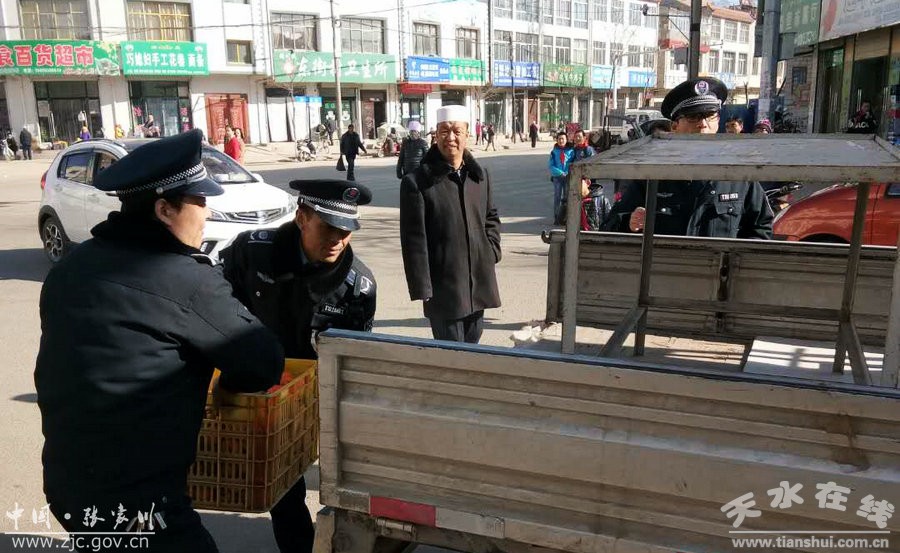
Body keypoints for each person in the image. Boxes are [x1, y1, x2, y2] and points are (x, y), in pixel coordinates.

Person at [34, 129, 284, 553]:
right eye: (199, 201)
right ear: (165, 209)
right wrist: (227, 381)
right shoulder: (185, 281)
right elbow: (263, 363)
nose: (207, 212)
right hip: (138, 499)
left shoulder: (71, 267)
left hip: (67, 483)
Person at [221, 179, 376, 553]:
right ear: (302, 217)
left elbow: (355, 362)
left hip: (317, 396)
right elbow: (218, 305)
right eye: (329, 228)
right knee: (281, 479)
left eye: (346, 231)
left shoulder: (358, 287)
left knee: (339, 478)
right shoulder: (252, 252)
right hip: (261, 390)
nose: (338, 240)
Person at [600, 77, 773, 240]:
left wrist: (736, 257)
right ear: (675, 126)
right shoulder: (653, 175)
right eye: (693, 117)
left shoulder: (738, 174)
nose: (703, 124)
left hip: (719, 262)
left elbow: (761, 228)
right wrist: (629, 222)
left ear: (718, 120)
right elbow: (610, 227)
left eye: (710, 116)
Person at [400, 105, 501, 344]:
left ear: (468, 134)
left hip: (479, 279)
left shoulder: (480, 176)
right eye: (444, 131)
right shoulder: (417, 182)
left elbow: (491, 217)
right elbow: (413, 239)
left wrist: (491, 251)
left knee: (474, 341)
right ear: (436, 135)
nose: (451, 138)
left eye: (457, 131)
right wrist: (422, 287)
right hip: (444, 285)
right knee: (451, 350)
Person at [548, 131, 574, 225]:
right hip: (557, 177)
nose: (561, 141)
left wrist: (567, 172)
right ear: (557, 140)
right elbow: (551, 165)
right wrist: (560, 173)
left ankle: (565, 217)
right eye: (559, 139)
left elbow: (572, 163)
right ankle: (557, 217)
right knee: (557, 197)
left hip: (567, 177)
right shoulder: (554, 152)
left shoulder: (571, 151)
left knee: (567, 197)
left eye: (563, 139)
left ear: (566, 140)